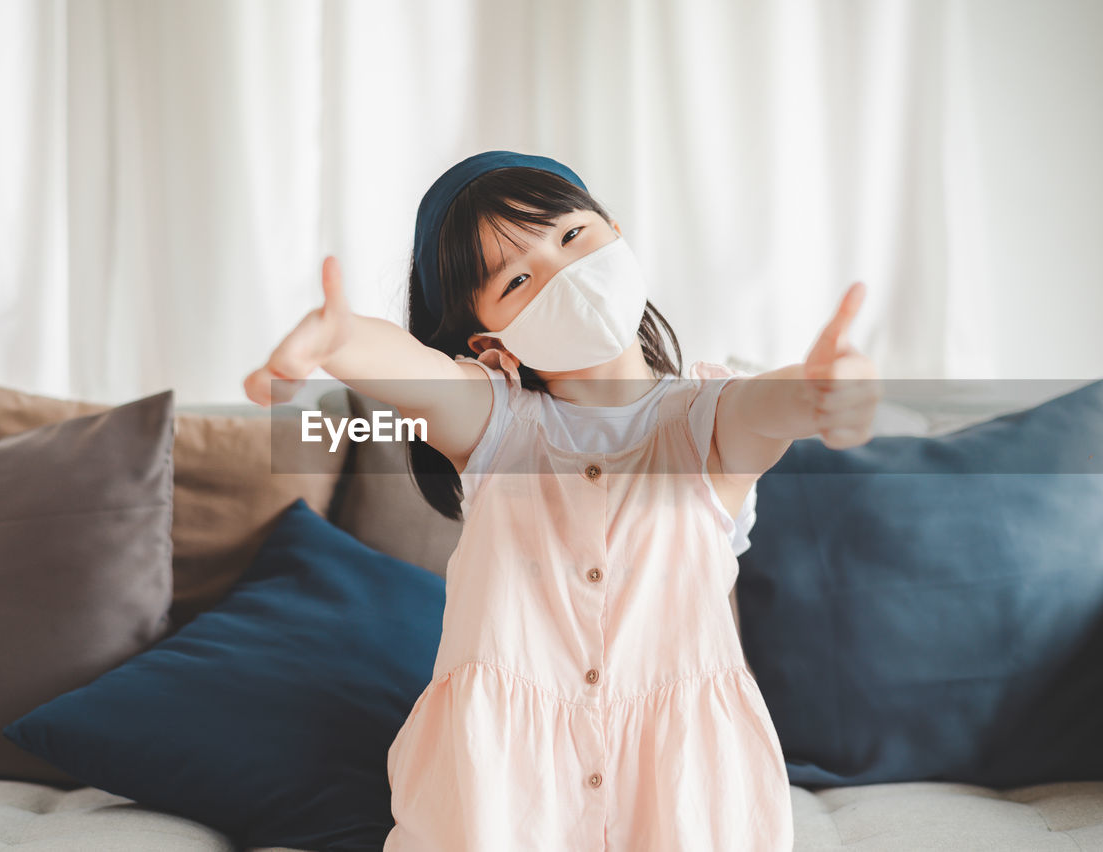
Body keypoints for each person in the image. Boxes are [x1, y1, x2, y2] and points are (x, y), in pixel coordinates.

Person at [244, 150, 883, 851]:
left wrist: (825, 391)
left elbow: (772, 406)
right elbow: (408, 368)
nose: (563, 273)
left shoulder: (708, 423)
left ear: (616, 229)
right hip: (506, 799)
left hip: (684, 791)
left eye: (572, 237)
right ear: (489, 340)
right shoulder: (493, 427)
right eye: (518, 280)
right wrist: (341, 337)